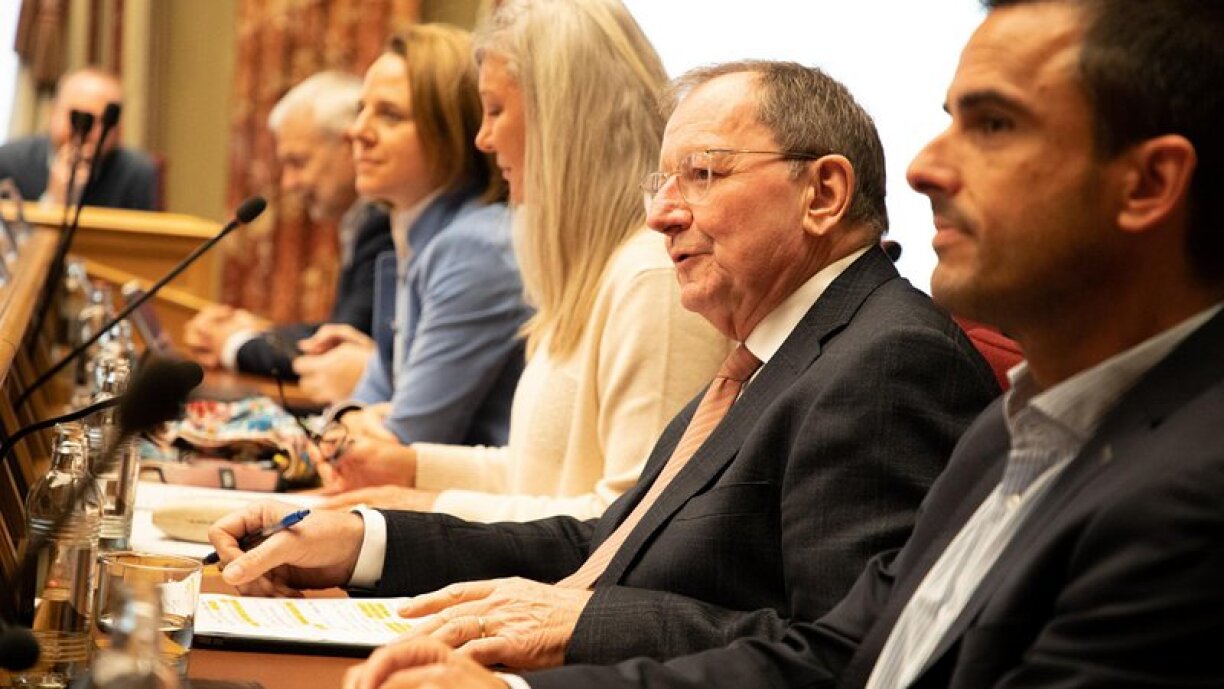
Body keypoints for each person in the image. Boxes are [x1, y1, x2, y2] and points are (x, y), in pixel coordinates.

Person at [343, 0, 1224, 686]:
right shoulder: (1007, 430)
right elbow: (831, 638)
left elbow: (820, 658)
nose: (925, 165)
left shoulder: (897, 364)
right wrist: (370, 539)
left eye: (994, 124)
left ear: (1148, 183)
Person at [210, 53, 1000, 675]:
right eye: (665, 182)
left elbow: (844, 657)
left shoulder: (889, 359)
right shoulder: (774, 349)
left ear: (822, 192)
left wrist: (576, 632)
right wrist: (363, 540)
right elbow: (604, 542)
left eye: (702, 173)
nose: (661, 213)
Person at [317, 0, 729, 522]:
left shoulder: (652, 280)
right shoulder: (589, 273)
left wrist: (425, 506)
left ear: (560, 117)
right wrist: (408, 467)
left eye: (495, 111)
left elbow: (632, 522)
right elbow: (538, 475)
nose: (483, 139)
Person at [304, 25, 529, 449]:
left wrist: (358, 423)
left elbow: (401, 442)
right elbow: (358, 415)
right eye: (361, 110)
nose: (357, 132)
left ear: (453, 130)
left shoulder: (476, 247)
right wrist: (357, 421)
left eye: (389, 115)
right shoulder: (419, 237)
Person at [182, 71, 394, 399]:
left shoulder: (383, 222)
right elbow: (335, 331)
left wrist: (233, 344)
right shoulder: (362, 219)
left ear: (348, 145)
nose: (288, 183)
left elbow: (336, 350)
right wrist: (256, 331)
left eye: (298, 162)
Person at [0, 66, 158, 210]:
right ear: (52, 113)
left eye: (98, 121)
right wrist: (53, 201)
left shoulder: (137, 173)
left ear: (117, 130)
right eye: (76, 118)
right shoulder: (10, 162)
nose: (84, 132)